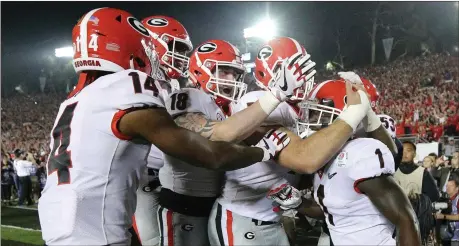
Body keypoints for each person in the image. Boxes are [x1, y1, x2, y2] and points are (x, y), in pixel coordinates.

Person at [38, 8, 291, 245]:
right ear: (123, 45)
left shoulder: (76, 97)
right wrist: (265, 151)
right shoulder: (128, 83)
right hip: (96, 225)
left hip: (63, 216)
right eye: (145, 46)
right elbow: (211, 155)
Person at [156, 38, 314, 246]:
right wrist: (277, 93)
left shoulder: (229, 107)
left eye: (235, 73)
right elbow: (221, 135)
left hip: (215, 202)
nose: (231, 78)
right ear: (200, 70)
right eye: (223, 71)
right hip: (184, 205)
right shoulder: (188, 96)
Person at [268, 79, 421, 246]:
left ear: (342, 114)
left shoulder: (359, 153)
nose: (308, 119)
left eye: (316, 112)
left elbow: (406, 219)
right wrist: (298, 202)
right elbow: (332, 211)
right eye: (308, 112)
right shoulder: (325, 158)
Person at [207, 37, 314, 246]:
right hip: (242, 217)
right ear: (270, 72)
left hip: (271, 220)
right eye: (293, 72)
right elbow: (301, 157)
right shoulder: (255, 99)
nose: (301, 78)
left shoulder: (297, 109)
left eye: (303, 71)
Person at [133, 15, 193, 246]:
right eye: (175, 47)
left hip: (170, 177)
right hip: (143, 178)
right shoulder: (136, 82)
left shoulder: (174, 85)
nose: (182, 57)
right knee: (153, 241)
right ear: (153, 45)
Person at [435, 173, 459, 245]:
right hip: (449, 237)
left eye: (451, 186)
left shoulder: (458, 199)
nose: (448, 188)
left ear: (457, 188)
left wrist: (444, 216)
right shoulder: (448, 200)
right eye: (447, 186)